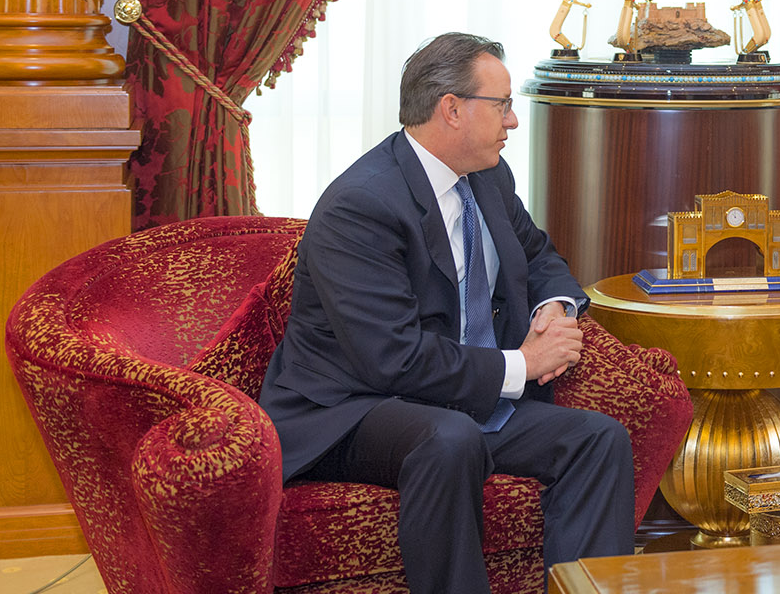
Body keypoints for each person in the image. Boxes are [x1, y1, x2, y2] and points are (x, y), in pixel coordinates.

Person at [260, 33, 634, 592]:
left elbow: (538, 255)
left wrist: (556, 310)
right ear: (452, 109)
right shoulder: (360, 205)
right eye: (502, 105)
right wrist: (524, 364)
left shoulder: (487, 176)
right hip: (353, 407)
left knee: (598, 440)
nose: (513, 121)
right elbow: (392, 358)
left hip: (457, 395)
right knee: (450, 439)